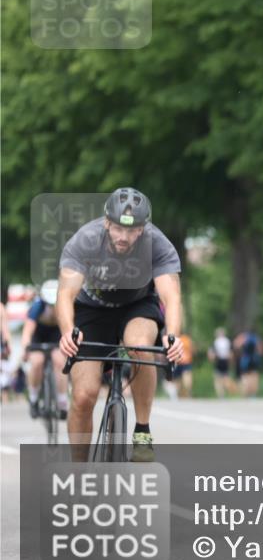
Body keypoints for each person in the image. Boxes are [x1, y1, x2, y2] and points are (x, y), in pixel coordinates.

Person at [58, 188, 184, 462]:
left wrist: (172, 335)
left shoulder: (158, 244)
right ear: (107, 222)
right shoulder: (86, 240)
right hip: (91, 310)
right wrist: (68, 331)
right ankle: (78, 470)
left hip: (137, 305)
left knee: (140, 347)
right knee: (84, 396)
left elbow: (171, 296)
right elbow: (65, 294)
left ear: (142, 229)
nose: (123, 237)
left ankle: (142, 430)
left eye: (132, 230)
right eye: (117, 229)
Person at [20, 280, 69, 418]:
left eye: (55, 304)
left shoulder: (65, 306)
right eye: (49, 304)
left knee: (59, 361)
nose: (52, 307)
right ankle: (34, 399)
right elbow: (27, 331)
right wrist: (25, 349)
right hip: (39, 336)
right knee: (37, 362)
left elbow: (68, 329)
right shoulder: (37, 306)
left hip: (56, 335)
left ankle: (62, 402)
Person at [164, 332, 195, 400]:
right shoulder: (187, 339)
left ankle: (179, 394)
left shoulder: (174, 339)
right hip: (186, 361)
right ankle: (187, 392)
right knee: (185, 377)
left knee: (178, 379)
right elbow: (192, 350)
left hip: (178, 361)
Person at [234, 328, 263, 397]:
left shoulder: (242, 337)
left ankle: (246, 391)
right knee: (254, 375)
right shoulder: (254, 337)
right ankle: (253, 393)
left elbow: (236, 346)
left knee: (245, 376)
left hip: (246, 359)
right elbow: (260, 347)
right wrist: (260, 353)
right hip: (254, 358)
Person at [207, 327, 234, 398]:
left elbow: (211, 353)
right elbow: (231, 354)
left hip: (218, 360)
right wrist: (231, 362)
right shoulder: (227, 341)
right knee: (226, 377)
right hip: (226, 361)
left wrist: (211, 360)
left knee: (217, 379)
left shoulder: (215, 342)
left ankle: (221, 394)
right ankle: (227, 390)